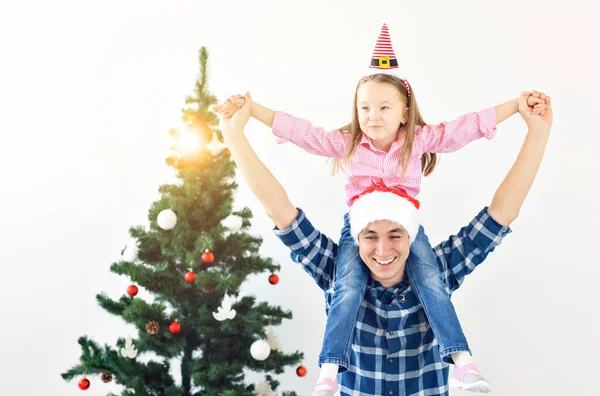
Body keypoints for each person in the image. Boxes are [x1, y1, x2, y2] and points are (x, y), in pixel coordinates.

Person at [213, 23, 547, 394]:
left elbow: (490, 189)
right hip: (353, 233)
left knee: (431, 282)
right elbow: (285, 194)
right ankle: (329, 371)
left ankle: (462, 361)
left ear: (404, 112)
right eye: (370, 237)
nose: (384, 251)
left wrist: (528, 121)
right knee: (348, 285)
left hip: (417, 236)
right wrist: (241, 126)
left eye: (395, 236)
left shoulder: (437, 261)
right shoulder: (339, 271)